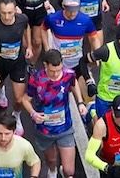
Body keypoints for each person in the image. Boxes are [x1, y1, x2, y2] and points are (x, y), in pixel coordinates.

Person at [21, 49, 85, 178]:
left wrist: (80, 102)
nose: (56, 74)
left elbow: (74, 84)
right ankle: (52, 171)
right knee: (51, 160)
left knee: (69, 171)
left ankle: (63, 172)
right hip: (45, 130)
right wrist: (33, 113)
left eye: (58, 70)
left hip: (64, 128)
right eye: (52, 71)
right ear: (45, 65)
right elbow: (25, 99)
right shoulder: (37, 79)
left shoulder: (69, 74)